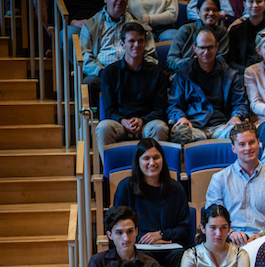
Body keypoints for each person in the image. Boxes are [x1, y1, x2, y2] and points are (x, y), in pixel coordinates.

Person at [204, 121, 265, 246]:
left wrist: (262, 235)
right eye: (242, 144)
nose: (248, 148)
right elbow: (212, 218)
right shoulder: (219, 179)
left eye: (251, 142)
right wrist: (231, 232)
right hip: (228, 240)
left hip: (264, 242)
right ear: (233, 148)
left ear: (258, 143)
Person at [112, 137, 191, 267]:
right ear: (138, 161)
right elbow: (118, 226)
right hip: (139, 246)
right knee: (143, 259)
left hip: (170, 247)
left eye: (156, 157)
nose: (152, 162)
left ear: (163, 160)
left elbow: (184, 228)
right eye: (146, 158)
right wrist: (144, 239)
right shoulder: (125, 187)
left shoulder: (176, 188)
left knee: (187, 259)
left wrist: (161, 235)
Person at [96, 23, 169, 156]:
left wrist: (142, 120)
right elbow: (109, 110)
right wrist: (123, 121)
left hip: (147, 123)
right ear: (122, 44)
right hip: (120, 124)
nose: (136, 45)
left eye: (140, 41)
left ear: (145, 43)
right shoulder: (109, 73)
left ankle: (157, 172)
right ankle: (108, 174)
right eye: (132, 41)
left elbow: (160, 109)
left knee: (160, 127)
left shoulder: (157, 74)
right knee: (103, 127)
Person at [168, 27, 249, 143]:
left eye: (210, 47)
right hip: (193, 126)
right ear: (194, 48)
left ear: (216, 47)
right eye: (202, 48)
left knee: (239, 133)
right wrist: (181, 117)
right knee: (181, 132)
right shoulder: (183, 74)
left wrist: (236, 116)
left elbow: (240, 103)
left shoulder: (230, 74)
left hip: (222, 126)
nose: (206, 52)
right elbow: (174, 104)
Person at [80, 0, 158, 93]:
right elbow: (84, 56)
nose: (120, 1)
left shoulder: (140, 24)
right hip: (103, 74)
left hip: (134, 73)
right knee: (89, 83)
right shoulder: (90, 25)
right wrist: (102, 72)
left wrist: (138, 70)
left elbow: (151, 57)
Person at [226, 0, 265, 73]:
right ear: (244, 4)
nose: (255, 5)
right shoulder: (235, 31)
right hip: (242, 74)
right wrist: (248, 72)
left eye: (259, 1)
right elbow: (230, 61)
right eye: (251, 2)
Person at [167, 0, 230, 71]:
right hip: (185, 72)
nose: (211, 13)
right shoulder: (186, 30)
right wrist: (193, 62)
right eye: (207, 10)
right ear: (198, 12)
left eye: (214, 10)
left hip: (212, 73)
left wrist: (204, 63)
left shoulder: (222, 32)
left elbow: (221, 59)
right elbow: (171, 61)